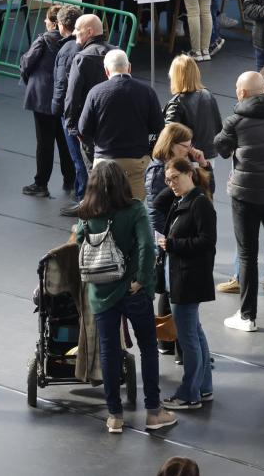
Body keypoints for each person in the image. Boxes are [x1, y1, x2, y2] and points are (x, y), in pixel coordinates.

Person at [74, 161, 177, 434]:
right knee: (147, 348)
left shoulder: (86, 210)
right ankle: (154, 412)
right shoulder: (135, 210)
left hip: (101, 292)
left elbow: (79, 240)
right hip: (133, 290)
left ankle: (115, 416)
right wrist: (141, 280)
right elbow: (146, 245)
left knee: (108, 351)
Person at [214, 71, 264, 332]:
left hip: (244, 195)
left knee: (247, 255)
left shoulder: (235, 121)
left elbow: (221, 149)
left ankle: (247, 316)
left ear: (243, 93)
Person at [156, 157, 216, 410]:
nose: (171, 184)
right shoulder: (183, 200)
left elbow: (206, 241)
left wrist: (173, 245)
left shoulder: (199, 204)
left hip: (188, 281)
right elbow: (158, 202)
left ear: (189, 174)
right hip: (182, 278)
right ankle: (203, 388)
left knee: (189, 338)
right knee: (195, 334)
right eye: (168, 180)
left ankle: (188, 394)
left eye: (175, 178)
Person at [78, 50, 163, 201]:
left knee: (104, 206)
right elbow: (158, 126)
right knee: (136, 206)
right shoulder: (147, 92)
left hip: (105, 162)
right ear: (129, 67)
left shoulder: (95, 93)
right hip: (136, 162)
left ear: (106, 70)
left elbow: (84, 129)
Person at [20, 5, 74, 199]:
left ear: (52, 22)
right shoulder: (73, 43)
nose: (44, 22)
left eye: (46, 19)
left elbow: (26, 63)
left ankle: (41, 183)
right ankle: (70, 178)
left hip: (43, 98)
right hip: (64, 99)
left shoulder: (42, 41)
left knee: (44, 142)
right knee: (65, 140)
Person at [163, 54, 223, 186]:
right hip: (207, 157)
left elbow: (170, 137)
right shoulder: (208, 95)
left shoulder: (177, 103)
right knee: (205, 193)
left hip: (187, 159)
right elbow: (218, 127)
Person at [51, 5, 87, 216]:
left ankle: (83, 200)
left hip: (72, 113)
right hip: (88, 111)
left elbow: (61, 84)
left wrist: (57, 109)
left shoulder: (66, 49)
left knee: (78, 159)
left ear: (61, 25)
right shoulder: (88, 46)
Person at [63, 15, 115, 159]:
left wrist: (72, 127)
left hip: (90, 126)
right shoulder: (116, 52)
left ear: (90, 32)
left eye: (78, 29)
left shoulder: (82, 58)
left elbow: (72, 95)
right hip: (115, 123)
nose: (74, 33)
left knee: (94, 172)